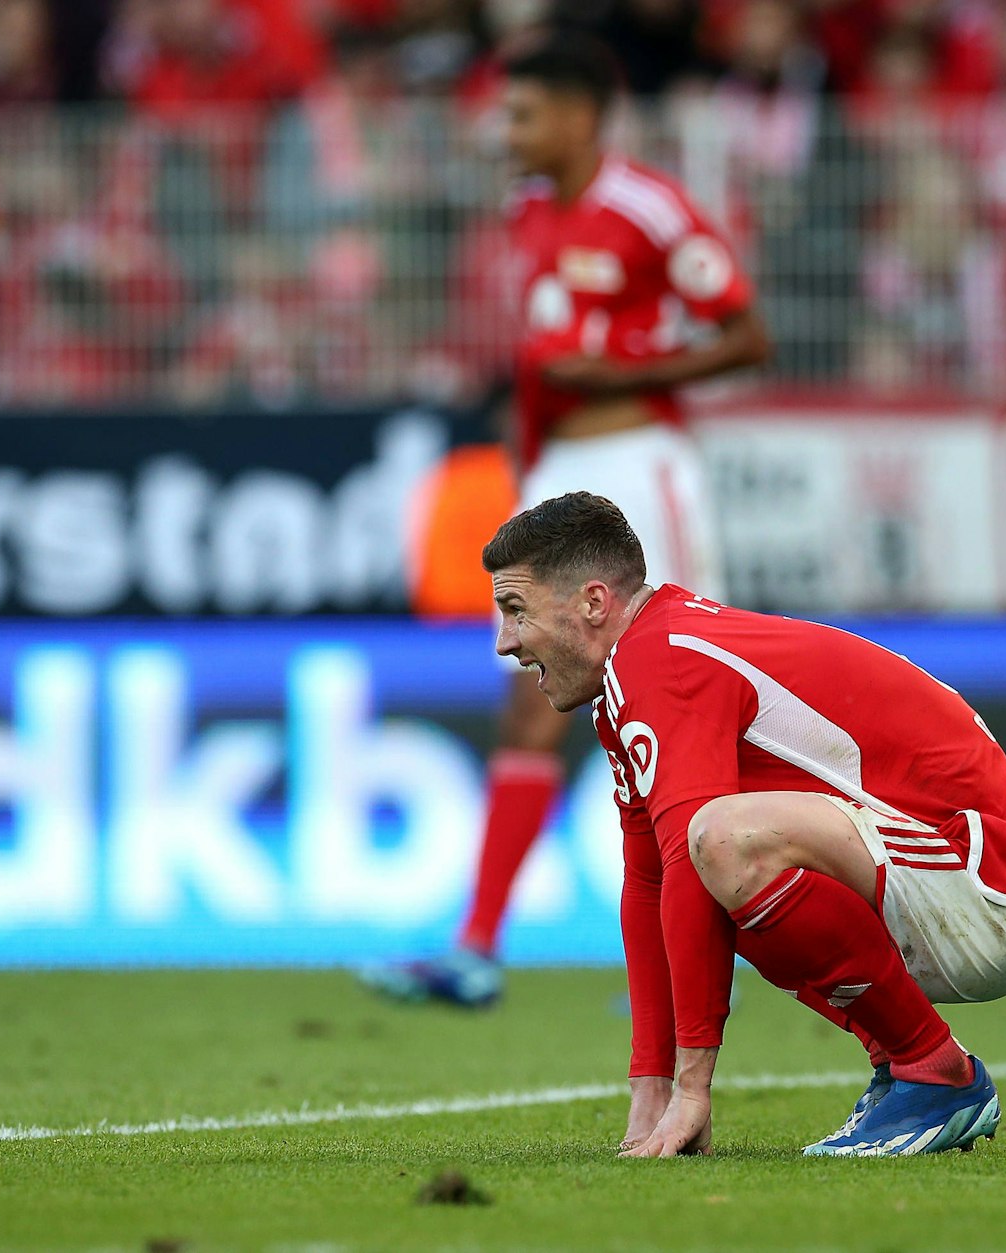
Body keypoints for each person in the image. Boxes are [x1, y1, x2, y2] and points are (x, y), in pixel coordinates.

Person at [361, 32, 770, 1007]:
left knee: (679, 694)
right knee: (527, 696)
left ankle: (764, 913)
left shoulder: (650, 210)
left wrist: (622, 372)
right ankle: (476, 945)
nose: (505, 131)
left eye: (523, 113)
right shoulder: (529, 209)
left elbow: (747, 337)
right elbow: (545, 347)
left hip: (640, 463)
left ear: (581, 116)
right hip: (558, 473)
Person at [485, 491, 1006, 1157]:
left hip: (989, 887)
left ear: (594, 602)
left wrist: (693, 1088)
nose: (505, 641)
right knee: (713, 860)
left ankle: (934, 1070)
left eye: (516, 610)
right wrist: (651, 1086)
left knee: (722, 843)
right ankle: (908, 1066)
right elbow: (649, 884)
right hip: (943, 876)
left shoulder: (661, 658)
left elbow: (692, 860)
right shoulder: (641, 665)